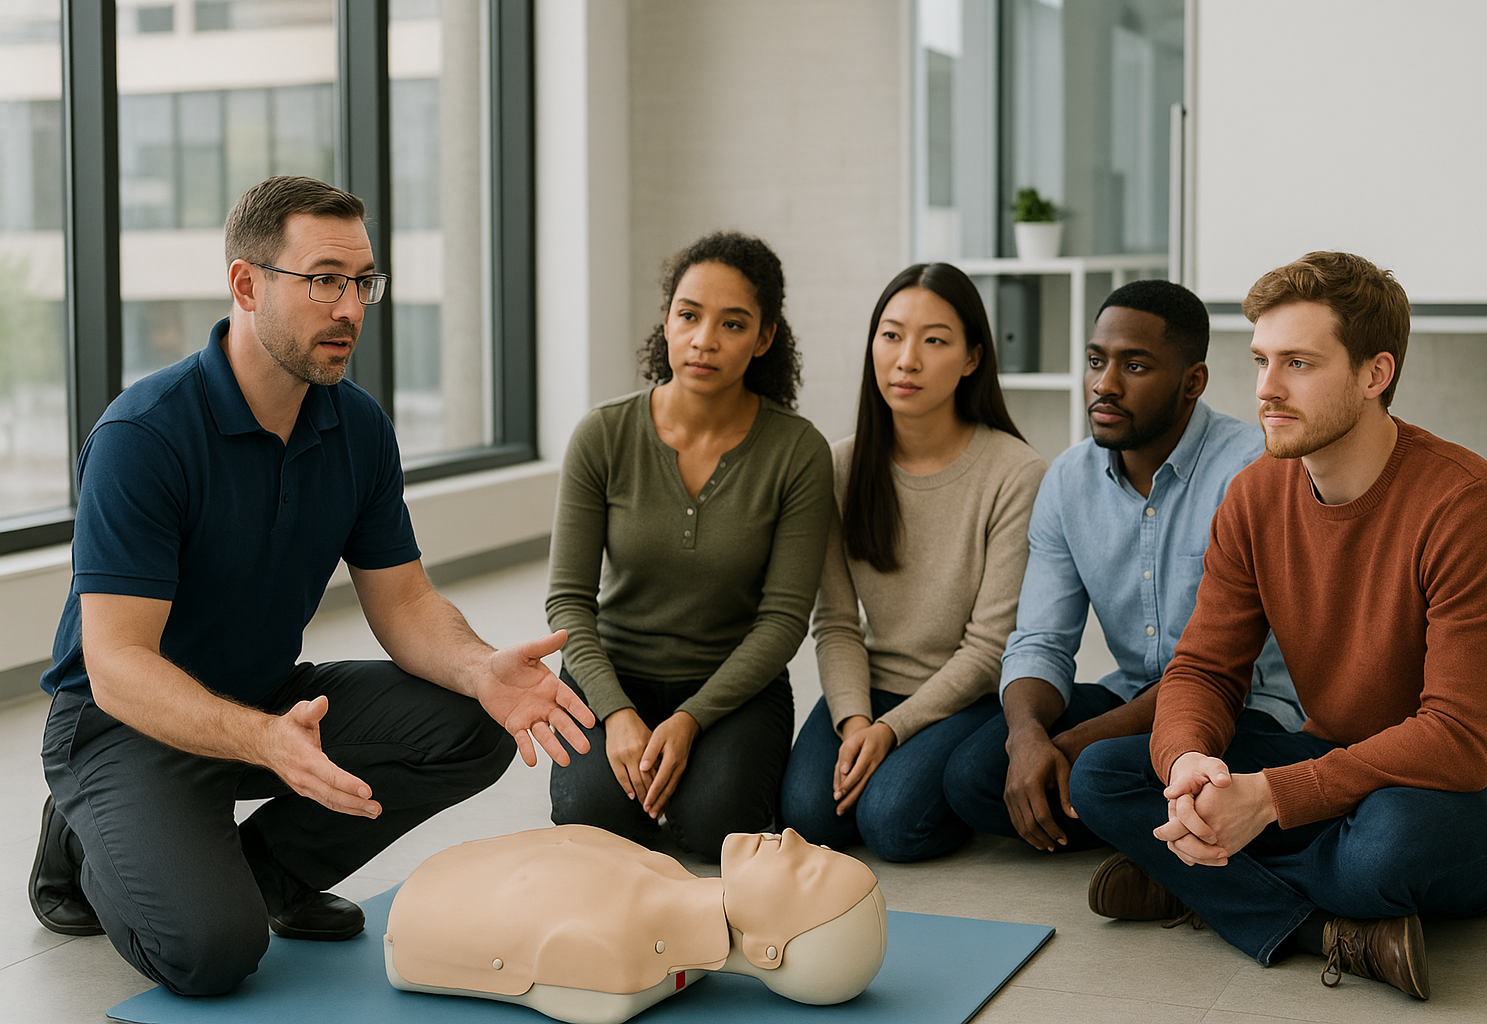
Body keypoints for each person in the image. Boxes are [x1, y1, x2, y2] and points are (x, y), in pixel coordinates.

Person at [27, 176, 595, 997]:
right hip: (120, 723)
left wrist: (479, 668)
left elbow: (402, 602)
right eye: (325, 279)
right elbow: (116, 665)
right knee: (211, 955)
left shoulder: (357, 426)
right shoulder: (143, 436)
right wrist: (262, 742)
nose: (352, 308)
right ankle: (80, 837)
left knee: (474, 726)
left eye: (363, 282)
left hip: (267, 700)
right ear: (246, 285)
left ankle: (268, 874)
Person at [1071, 252, 1487, 1000]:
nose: (1266, 390)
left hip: (1474, 801)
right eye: (1260, 361)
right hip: (1336, 756)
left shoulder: (1467, 506)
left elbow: (1458, 741)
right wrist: (1189, 761)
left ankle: (1196, 881)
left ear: (1374, 373)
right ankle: (1325, 929)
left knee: (1385, 848)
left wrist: (1271, 798)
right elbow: (1204, 669)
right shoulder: (1256, 495)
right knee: (1105, 773)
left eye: (1298, 363)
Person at [944, 279, 1304, 853]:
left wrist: (1071, 746)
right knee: (975, 776)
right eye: (1095, 361)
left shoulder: (1251, 472)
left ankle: (1156, 840)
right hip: (1131, 693)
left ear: (1193, 382)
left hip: (1243, 709)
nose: (1104, 386)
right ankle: (1162, 841)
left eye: (1134, 366)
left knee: (1095, 768)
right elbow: (1040, 640)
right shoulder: (1068, 479)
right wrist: (1028, 737)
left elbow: (1220, 674)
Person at [545, 231, 834, 860]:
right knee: (594, 824)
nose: (705, 339)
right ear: (667, 322)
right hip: (612, 675)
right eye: (689, 315)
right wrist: (616, 713)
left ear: (764, 339)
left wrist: (691, 719)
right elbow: (568, 602)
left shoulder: (798, 452)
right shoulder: (602, 434)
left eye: (733, 324)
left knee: (713, 832)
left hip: (732, 687)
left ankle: (708, 772)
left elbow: (784, 620)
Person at [779, 262, 1047, 862]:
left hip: (967, 694)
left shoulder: (1016, 474)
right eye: (892, 335)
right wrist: (854, 722)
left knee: (892, 823)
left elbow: (988, 647)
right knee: (808, 816)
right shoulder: (838, 467)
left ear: (973, 358)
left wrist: (892, 731)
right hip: (870, 684)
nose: (907, 360)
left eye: (935, 341)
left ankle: (952, 779)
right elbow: (838, 624)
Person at [384, 825, 886, 1023]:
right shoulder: (665, 875)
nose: (794, 837)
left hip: (417, 914)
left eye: (808, 870)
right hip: (436, 883)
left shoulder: (618, 958)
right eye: (819, 849)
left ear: (768, 951)